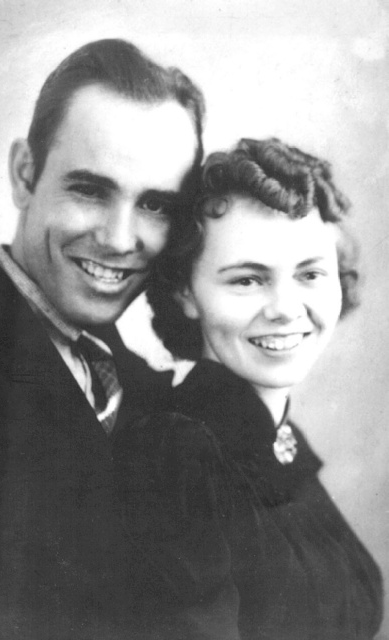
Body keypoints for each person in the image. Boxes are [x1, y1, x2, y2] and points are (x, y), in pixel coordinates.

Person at [0, 38, 205, 639]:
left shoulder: (140, 383)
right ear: (24, 174)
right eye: (90, 190)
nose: (119, 239)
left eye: (156, 206)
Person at [115, 138, 384, 639]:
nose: (286, 307)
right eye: (247, 280)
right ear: (184, 292)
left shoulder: (280, 442)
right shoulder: (178, 456)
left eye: (310, 273)